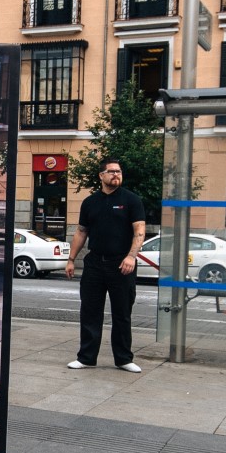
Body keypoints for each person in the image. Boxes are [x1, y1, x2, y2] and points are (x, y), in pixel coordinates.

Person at [64, 159, 146, 373]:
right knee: (90, 312)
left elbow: (139, 230)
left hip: (121, 264)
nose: (116, 175)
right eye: (111, 172)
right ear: (101, 175)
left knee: (122, 313)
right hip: (94, 264)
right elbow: (81, 231)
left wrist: (131, 256)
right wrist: (71, 259)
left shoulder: (131, 200)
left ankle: (124, 359)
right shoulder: (90, 202)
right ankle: (86, 357)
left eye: (119, 171)